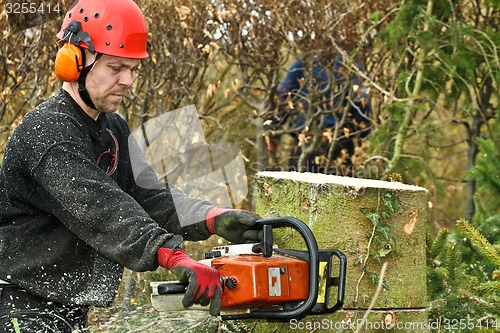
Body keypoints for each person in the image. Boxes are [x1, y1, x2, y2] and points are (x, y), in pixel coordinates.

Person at [0, 0, 261, 331]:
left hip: (66, 309)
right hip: (20, 306)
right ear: (74, 60)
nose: (127, 80)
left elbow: (148, 195)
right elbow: (103, 209)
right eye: (115, 68)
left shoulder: (113, 129)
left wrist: (212, 218)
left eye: (133, 69)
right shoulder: (48, 133)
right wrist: (171, 254)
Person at [266, 54, 372, 173]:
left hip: (306, 140)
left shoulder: (304, 61)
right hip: (340, 141)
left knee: (300, 188)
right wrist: (363, 135)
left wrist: (273, 135)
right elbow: (362, 104)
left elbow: (282, 98)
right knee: (340, 189)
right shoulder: (352, 65)